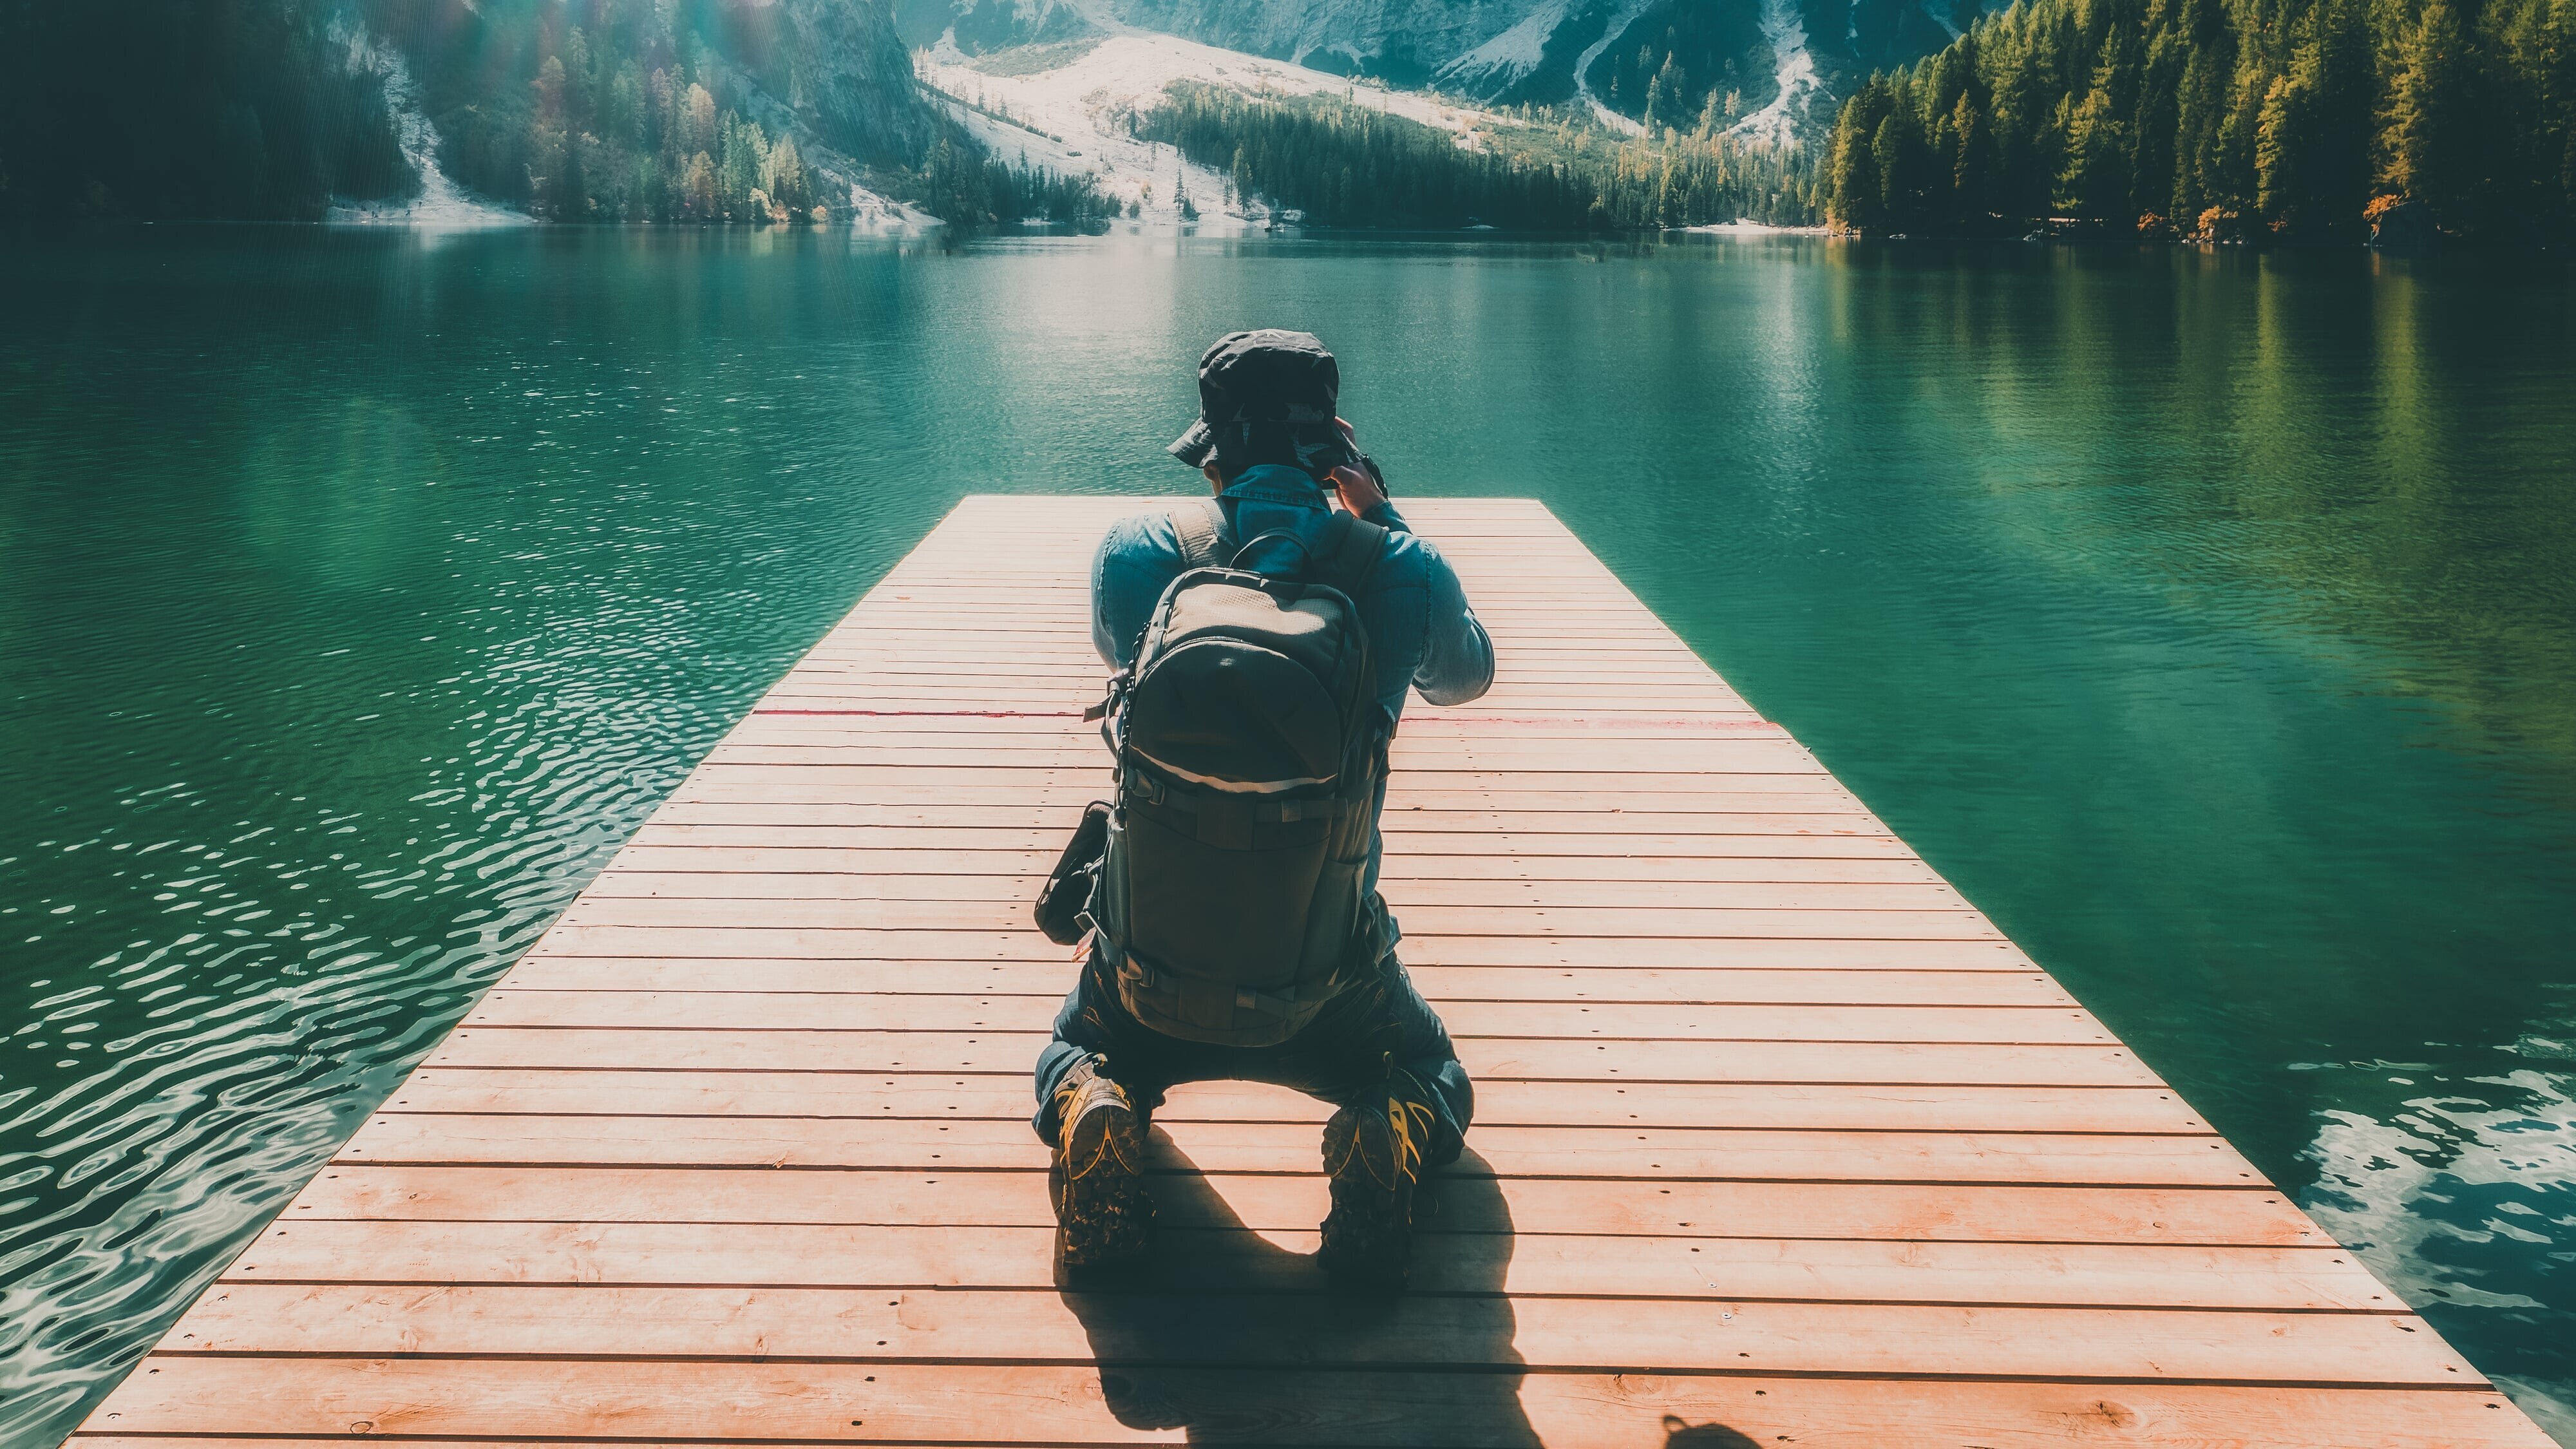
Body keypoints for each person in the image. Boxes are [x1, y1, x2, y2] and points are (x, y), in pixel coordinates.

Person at [1033, 328, 1495, 1285]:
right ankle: (1386, 1123)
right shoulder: (1397, 569)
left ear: (1213, 450)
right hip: (1327, 983)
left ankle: (1095, 1104)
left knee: (1072, 1046)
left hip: (1146, 973)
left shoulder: (1134, 557)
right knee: (1438, 1071)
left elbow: (1121, 660)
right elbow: (1468, 675)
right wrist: (1381, 514)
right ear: (1333, 452)